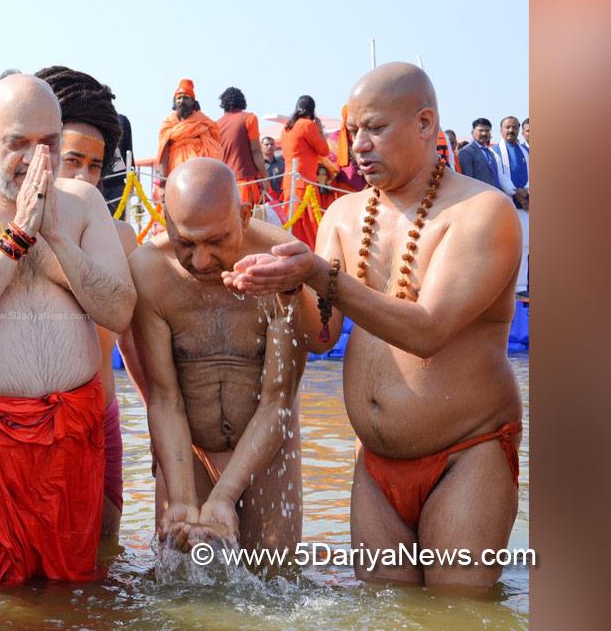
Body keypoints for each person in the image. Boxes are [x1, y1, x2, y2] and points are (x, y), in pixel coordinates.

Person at [223, 62, 524, 589]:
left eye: (376, 128)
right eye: (353, 130)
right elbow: (322, 337)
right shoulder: (342, 215)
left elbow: (427, 329)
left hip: (466, 455)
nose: (358, 145)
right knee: (385, 615)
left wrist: (317, 272)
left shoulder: (483, 211)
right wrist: (283, 289)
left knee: (459, 617)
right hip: (375, 466)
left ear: (426, 123)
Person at [0, 74, 136, 584]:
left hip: (72, 432)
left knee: (72, 592)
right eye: (19, 143)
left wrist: (54, 233)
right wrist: (16, 237)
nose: (38, 160)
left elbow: (119, 310)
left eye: (50, 144)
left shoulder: (82, 203)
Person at [131, 158, 306, 559]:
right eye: (186, 243)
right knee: (179, 587)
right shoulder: (149, 270)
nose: (201, 261)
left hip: (267, 445)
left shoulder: (278, 260)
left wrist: (226, 495)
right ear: (166, 222)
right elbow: (164, 398)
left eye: (216, 241)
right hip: (188, 447)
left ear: (244, 216)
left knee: (275, 580)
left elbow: (278, 399)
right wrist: (181, 498)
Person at [35, 65, 146, 536]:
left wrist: (164, 433)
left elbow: (138, 347)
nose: (84, 177)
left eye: (95, 166)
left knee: (101, 571)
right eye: (73, 160)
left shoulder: (122, 239)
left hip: (100, 424)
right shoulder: (8, 232)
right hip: (24, 430)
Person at [155, 78, 223, 199]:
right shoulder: (168, 123)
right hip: (175, 171)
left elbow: (213, 148)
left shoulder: (203, 122)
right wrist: (162, 182)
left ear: (193, 102)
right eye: (179, 98)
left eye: (186, 98)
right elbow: (162, 153)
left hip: (199, 172)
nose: (182, 101)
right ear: (175, 102)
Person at [279, 95, 329, 249]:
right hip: (305, 182)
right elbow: (324, 150)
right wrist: (319, 130)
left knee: (292, 222)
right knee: (310, 224)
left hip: (289, 181)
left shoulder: (286, 127)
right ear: (312, 110)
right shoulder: (307, 125)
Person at [492, 116, 530, 294]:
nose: (511, 131)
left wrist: (526, 192)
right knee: (506, 246)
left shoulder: (525, 150)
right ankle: (505, 286)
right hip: (507, 203)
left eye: (514, 128)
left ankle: (521, 286)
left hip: (524, 205)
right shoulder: (496, 151)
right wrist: (515, 192)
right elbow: (500, 175)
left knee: (525, 244)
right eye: (507, 127)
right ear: (501, 130)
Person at [215, 87, 268, 206]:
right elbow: (256, 151)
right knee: (250, 222)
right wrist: (265, 177)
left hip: (225, 184)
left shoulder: (216, 125)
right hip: (246, 182)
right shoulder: (249, 118)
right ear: (242, 101)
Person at [457, 117, 500, 189]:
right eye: (480, 130)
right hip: (479, 196)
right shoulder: (466, 152)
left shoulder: (490, 152)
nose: (484, 133)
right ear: (472, 132)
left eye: (487, 130)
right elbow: (468, 180)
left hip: (493, 194)